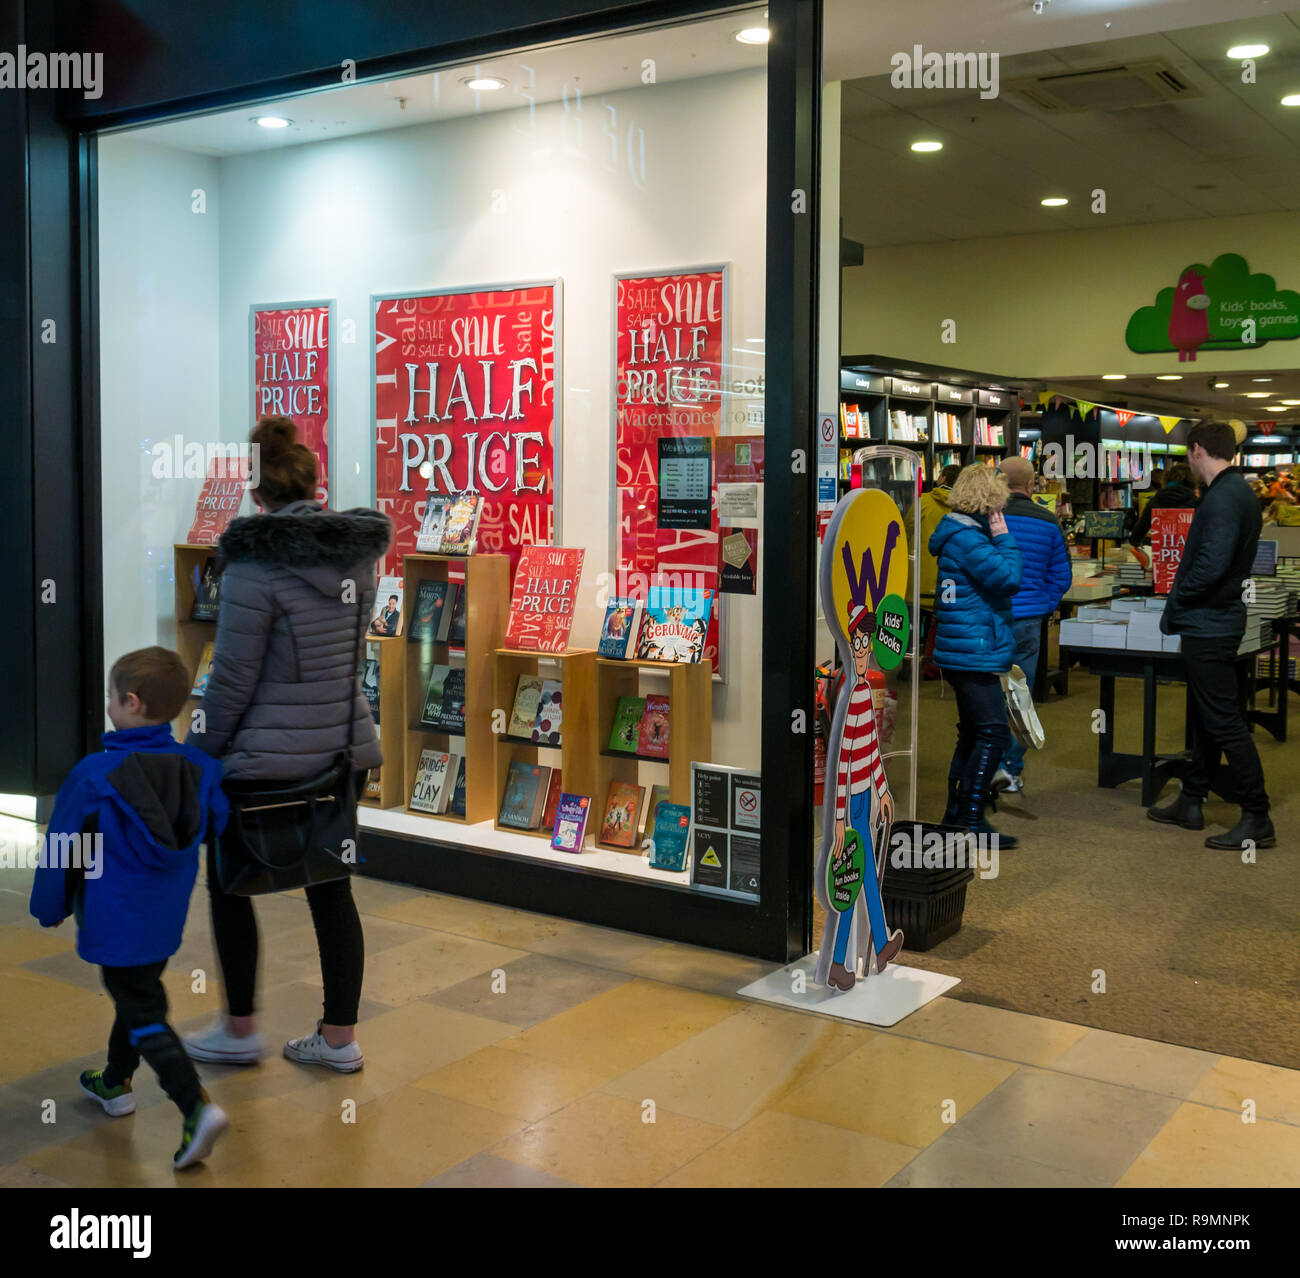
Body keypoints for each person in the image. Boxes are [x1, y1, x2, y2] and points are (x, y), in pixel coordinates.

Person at [183, 417, 390, 1071]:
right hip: (341, 750)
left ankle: (240, 1030)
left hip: (268, 760)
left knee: (228, 884)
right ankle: (338, 1039)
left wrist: (203, 752)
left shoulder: (251, 567)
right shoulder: (358, 554)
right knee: (331, 887)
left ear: (256, 492)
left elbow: (234, 679)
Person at [29, 647, 231, 1169]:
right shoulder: (200, 769)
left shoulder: (95, 776)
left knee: (142, 1007)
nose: (109, 706)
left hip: (113, 918)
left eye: (111, 698)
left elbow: (61, 849)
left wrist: (48, 906)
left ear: (132, 703)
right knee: (137, 993)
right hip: (164, 918)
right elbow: (217, 822)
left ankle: (194, 1106)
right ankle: (115, 1081)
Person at [1148, 420, 1273, 850]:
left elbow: (1212, 564)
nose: (1187, 460)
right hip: (1219, 618)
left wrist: (1178, 599)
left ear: (1197, 449)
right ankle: (1192, 797)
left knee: (1223, 720)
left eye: (1187, 453)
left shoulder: (1221, 499)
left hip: (1209, 621)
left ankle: (1257, 814)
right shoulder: (1238, 492)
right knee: (1206, 715)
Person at [929, 464, 1023, 848]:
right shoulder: (971, 541)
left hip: (963, 649)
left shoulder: (956, 535)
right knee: (993, 733)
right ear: (988, 503)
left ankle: (956, 817)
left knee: (971, 734)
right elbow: (1009, 578)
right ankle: (970, 821)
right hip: (974, 652)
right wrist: (1003, 536)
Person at [991, 456, 1071, 794]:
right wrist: (1044, 603)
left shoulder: (986, 519)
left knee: (985, 694)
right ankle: (1011, 769)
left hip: (990, 619)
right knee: (1019, 697)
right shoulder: (1048, 521)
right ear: (1031, 484)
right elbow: (1062, 575)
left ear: (998, 482)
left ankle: (986, 765)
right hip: (1028, 622)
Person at [908, 463, 962, 678]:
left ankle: (907, 666)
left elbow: (906, 527)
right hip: (945, 579)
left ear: (942, 478)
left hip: (918, 577)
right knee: (937, 627)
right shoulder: (961, 507)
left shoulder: (923, 501)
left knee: (911, 625)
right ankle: (932, 665)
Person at [1129, 462, 1198, 546]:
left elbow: (1136, 535)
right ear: (1192, 481)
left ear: (1166, 479)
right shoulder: (1196, 503)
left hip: (1161, 554)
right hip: (1189, 554)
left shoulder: (1155, 501)